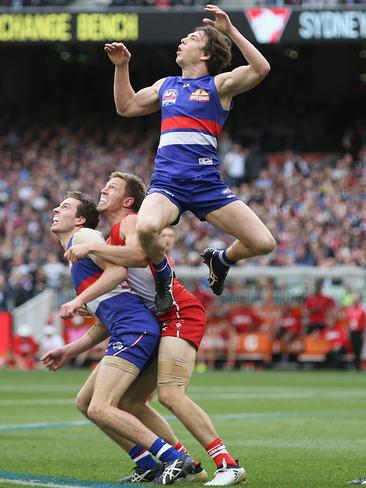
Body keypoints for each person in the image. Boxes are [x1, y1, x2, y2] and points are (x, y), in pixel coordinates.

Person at [65, 172, 246, 486]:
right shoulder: (111, 237)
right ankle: (187, 465)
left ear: (128, 201)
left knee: (172, 395)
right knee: (129, 403)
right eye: (104, 183)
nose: (103, 188)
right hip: (158, 319)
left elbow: (136, 256)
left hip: (179, 311)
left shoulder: (130, 222)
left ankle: (228, 464)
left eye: (112, 186)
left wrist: (89, 252)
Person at [104, 4, 276, 313]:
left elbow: (261, 69)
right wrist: (121, 67)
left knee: (263, 243)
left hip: (206, 185)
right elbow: (126, 107)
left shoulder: (218, 86)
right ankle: (163, 278)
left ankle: (221, 260)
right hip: (168, 184)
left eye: (192, 37)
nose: (182, 41)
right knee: (145, 228)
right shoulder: (165, 85)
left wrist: (231, 31)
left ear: (206, 53)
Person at [43, 191, 193, 485]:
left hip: (134, 329)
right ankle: (146, 463)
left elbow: (118, 270)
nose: (56, 210)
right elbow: (102, 323)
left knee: (102, 407)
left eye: (65, 207)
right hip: (128, 329)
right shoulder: (76, 253)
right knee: (86, 404)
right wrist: (69, 350)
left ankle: (175, 459)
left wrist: (77, 301)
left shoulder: (84, 236)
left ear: (81, 219)